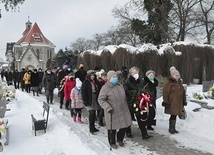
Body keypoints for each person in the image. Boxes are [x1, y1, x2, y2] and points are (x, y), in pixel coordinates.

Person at [98, 70, 132, 149]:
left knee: (124, 126)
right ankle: (112, 142)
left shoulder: (119, 86)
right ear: (109, 78)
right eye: (113, 77)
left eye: (116, 77)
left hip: (123, 109)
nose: (115, 78)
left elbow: (124, 96)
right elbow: (101, 100)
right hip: (112, 111)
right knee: (112, 128)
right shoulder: (105, 88)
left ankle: (120, 139)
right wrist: (108, 107)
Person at [124, 66, 152, 139]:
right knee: (129, 117)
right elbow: (126, 92)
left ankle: (144, 134)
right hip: (130, 103)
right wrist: (135, 93)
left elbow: (144, 89)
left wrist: (145, 94)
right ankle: (128, 131)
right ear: (131, 73)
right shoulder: (127, 82)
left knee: (141, 118)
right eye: (135, 73)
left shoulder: (141, 81)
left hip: (139, 103)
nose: (136, 74)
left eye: (137, 73)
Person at [162, 66, 187, 134]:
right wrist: (166, 101)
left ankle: (173, 128)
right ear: (172, 75)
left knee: (175, 115)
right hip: (172, 102)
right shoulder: (169, 83)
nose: (177, 76)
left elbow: (183, 93)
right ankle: (171, 129)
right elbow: (165, 93)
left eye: (178, 75)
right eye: (176, 75)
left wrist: (184, 101)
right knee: (173, 115)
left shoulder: (179, 83)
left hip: (178, 102)